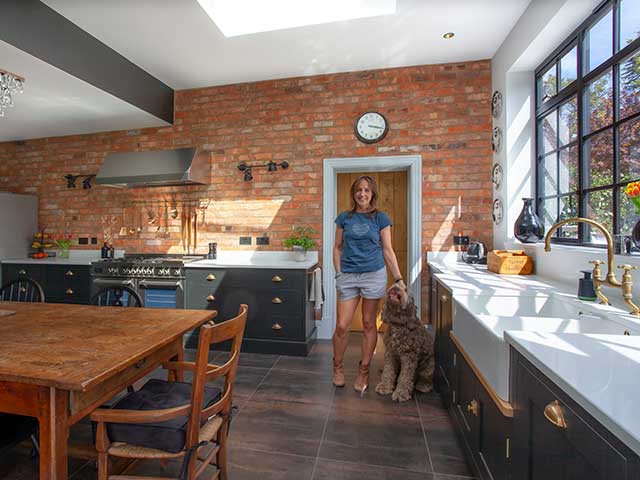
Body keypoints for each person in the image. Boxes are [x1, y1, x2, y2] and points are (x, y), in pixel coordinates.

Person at [332, 175, 405, 393]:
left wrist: (399, 279)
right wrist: (338, 273)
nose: (362, 194)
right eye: (358, 190)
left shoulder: (380, 218)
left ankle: (364, 371)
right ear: (354, 193)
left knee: (368, 324)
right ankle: (338, 367)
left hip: (374, 274)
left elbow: (387, 250)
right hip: (348, 275)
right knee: (342, 325)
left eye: (366, 190)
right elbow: (337, 247)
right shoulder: (344, 218)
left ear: (372, 194)